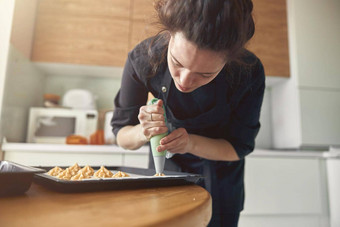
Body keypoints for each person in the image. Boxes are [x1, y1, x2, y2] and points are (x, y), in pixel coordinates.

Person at [111, 0, 265, 226]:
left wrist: (189, 143)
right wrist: (143, 132)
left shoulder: (248, 72)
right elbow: (121, 134)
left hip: (221, 179)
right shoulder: (143, 58)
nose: (184, 81)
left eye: (205, 74)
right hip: (164, 172)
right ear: (169, 35)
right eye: (177, 62)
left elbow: (238, 148)